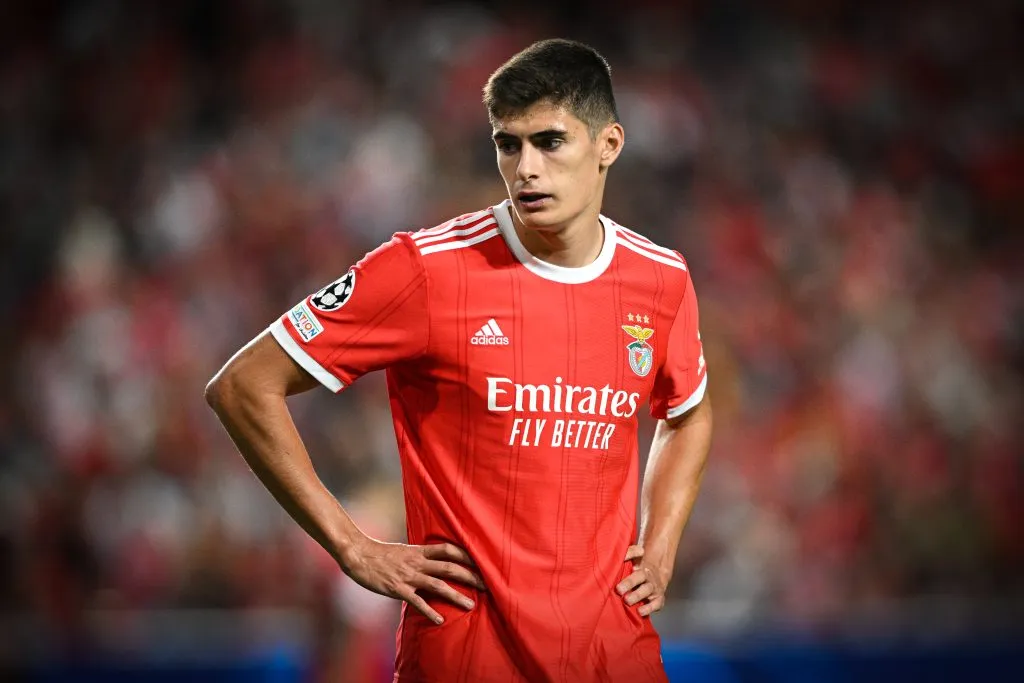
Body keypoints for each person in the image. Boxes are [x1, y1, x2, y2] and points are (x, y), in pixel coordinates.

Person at [205, 38, 713, 683]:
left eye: (549, 141)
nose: (525, 166)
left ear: (608, 144)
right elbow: (243, 386)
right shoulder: (425, 270)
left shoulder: (661, 280)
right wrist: (352, 546)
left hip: (614, 654)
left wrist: (661, 545)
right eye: (508, 144)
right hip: (469, 659)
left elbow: (688, 414)